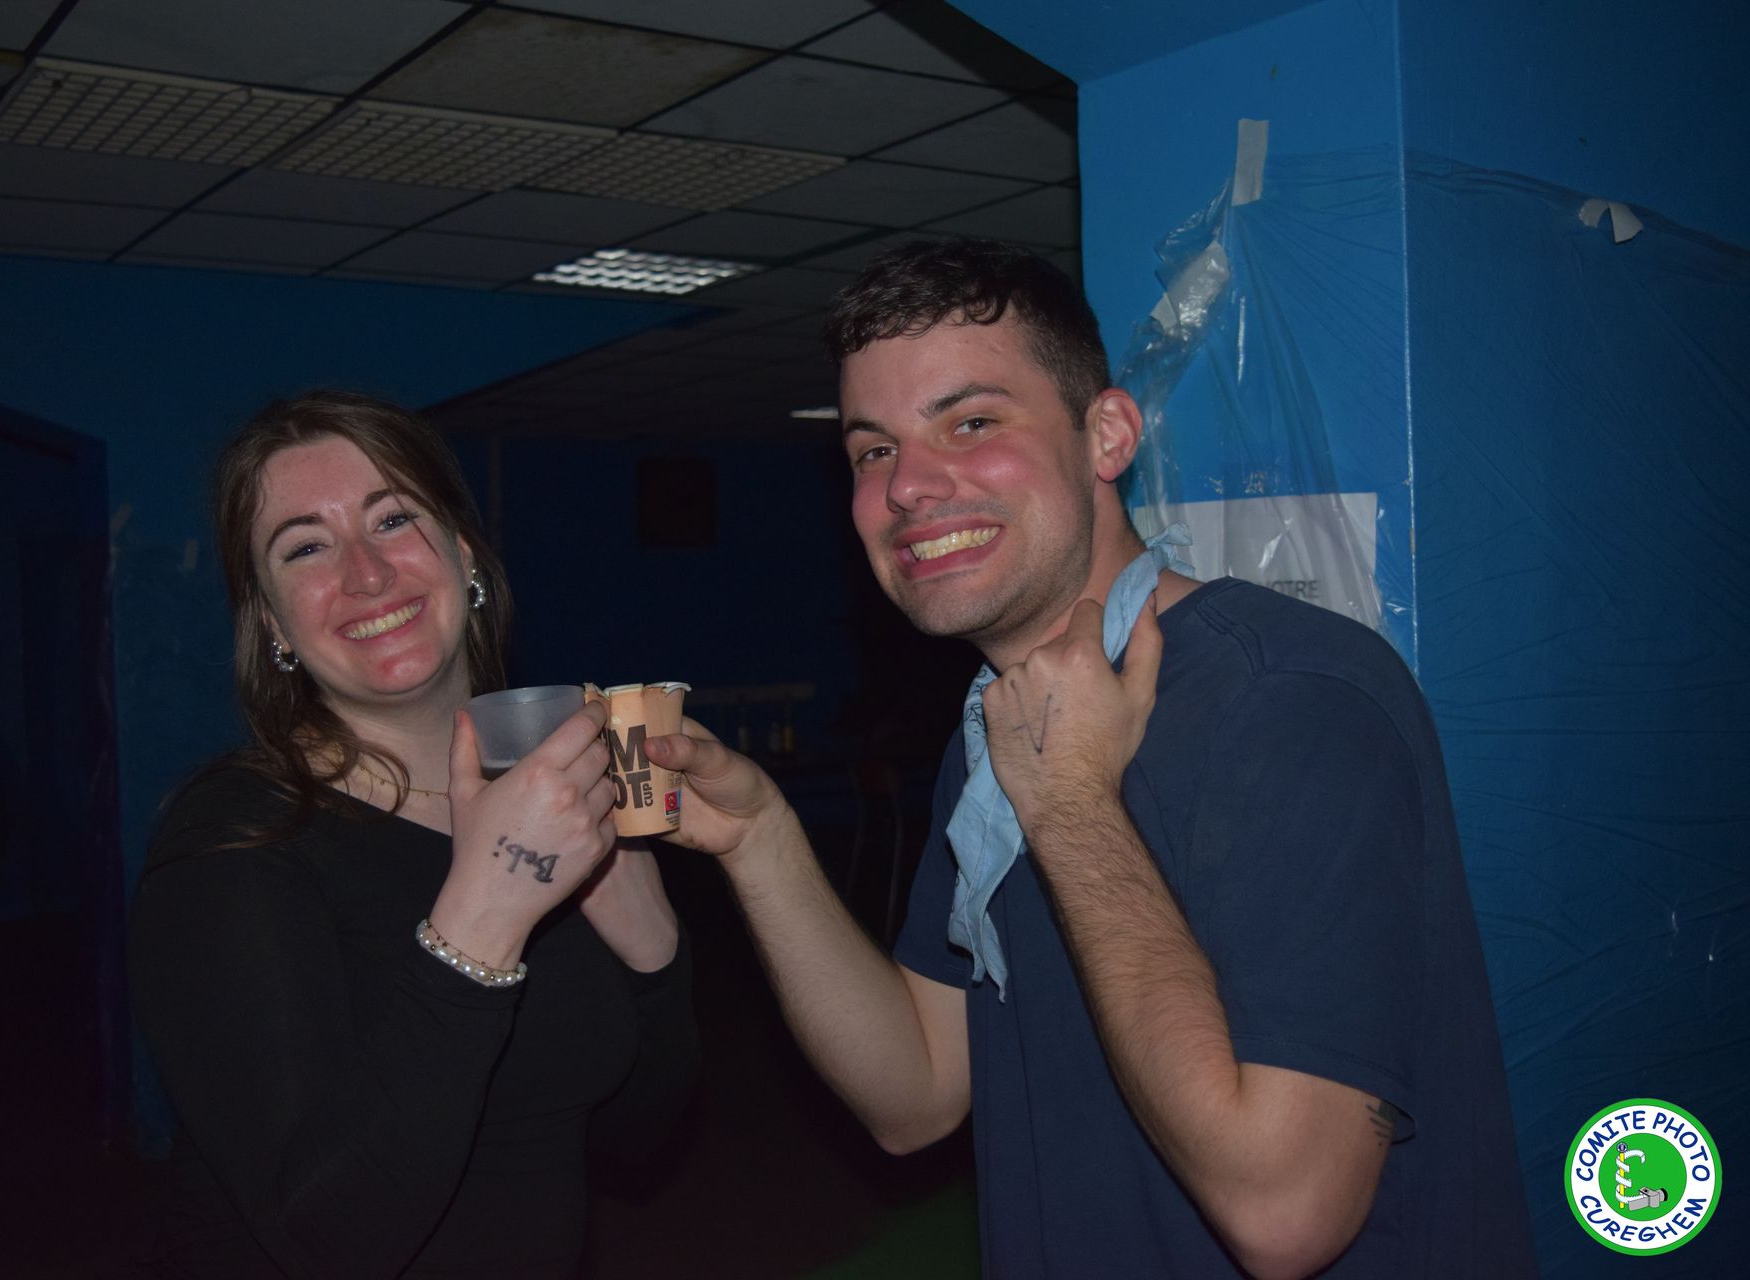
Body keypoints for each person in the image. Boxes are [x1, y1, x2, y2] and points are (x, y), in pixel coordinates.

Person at [644, 240, 1534, 1278]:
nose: (909, 487)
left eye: (971, 423)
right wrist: (761, 840)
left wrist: (1070, 802)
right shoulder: (1000, 726)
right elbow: (916, 1090)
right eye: (873, 450)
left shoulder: (1292, 698)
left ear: (1105, 434)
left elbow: (1285, 1211)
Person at [129, 390, 696, 1278]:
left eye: (392, 519)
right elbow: (327, 1241)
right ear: (272, 621)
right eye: (306, 547)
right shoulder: (235, 843)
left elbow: (635, 1139)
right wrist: (483, 918)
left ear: (463, 554)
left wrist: (655, 950)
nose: (365, 574)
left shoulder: (545, 803)